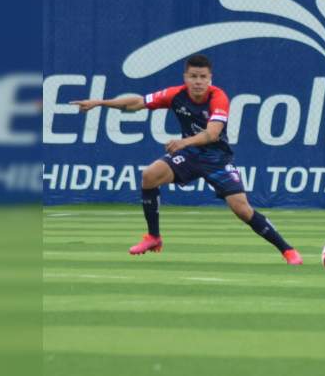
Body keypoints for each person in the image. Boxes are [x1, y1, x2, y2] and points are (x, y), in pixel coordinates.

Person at [70, 54, 303, 264]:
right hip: (189, 156)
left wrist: (182, 142)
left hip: (217, 159)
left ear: (210, 78)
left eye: (203, 77)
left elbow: (212, 134)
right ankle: (153, 237)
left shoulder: (218, 97)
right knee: (149, 176)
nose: (198, 81)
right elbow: (137, 103)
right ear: (186, 77)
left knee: (242, 209)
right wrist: (99, 103)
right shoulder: (175, 95)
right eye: (193, 76)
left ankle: (287, 250)